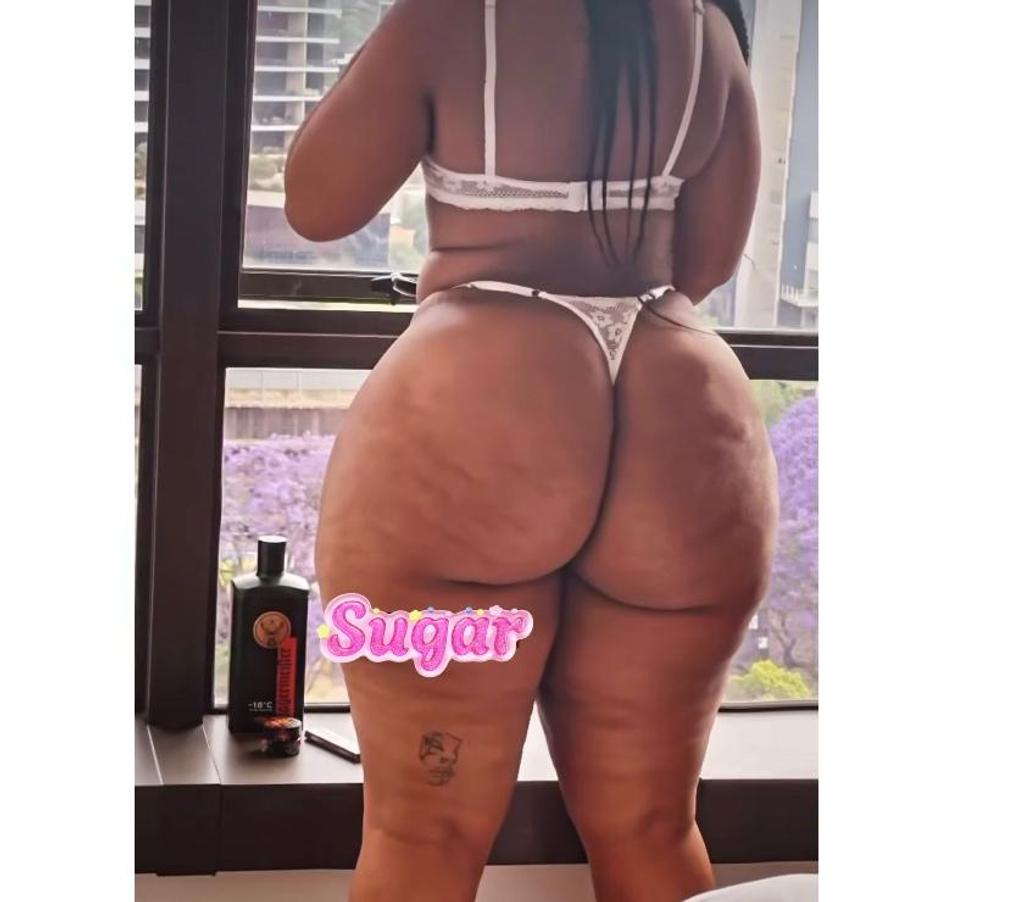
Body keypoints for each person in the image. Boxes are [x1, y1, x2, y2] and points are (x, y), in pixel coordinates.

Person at [288, 1, 777, 899]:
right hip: (683, 408)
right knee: (654, 827)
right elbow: (705, 263)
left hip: (481, 395)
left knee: (425, 832)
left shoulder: (453, 14)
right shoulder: (708, 28)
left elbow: (318, 204)